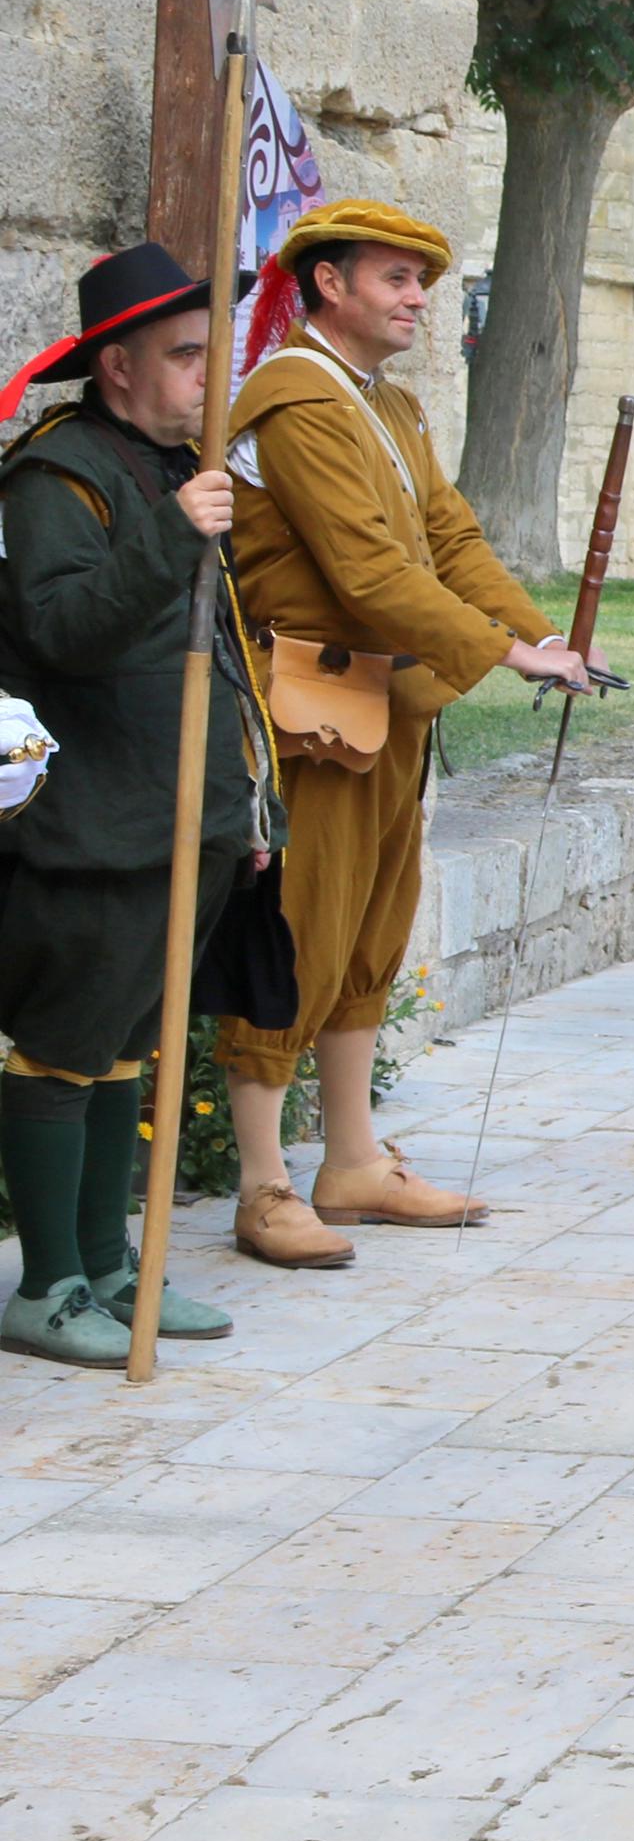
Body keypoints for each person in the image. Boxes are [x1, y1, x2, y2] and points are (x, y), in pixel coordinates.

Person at [215, 201, 597, 1268]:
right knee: (296, 935)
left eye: (422, 279)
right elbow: (366, 573)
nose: (418, 297)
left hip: (385, 704)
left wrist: (540, 633)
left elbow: (449, 537)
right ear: (327, 284)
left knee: (371, 934)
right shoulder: (296, 401)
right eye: (395, 277)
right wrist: (505, 653)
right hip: (306, 709)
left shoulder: (393, 408)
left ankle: (350, 1162)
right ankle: (260, 1185)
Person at [0, 247, 270, 1365]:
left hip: (184, 821)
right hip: (97, 825)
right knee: (62, 1050)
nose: (211, 377)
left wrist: (247, 805)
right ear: (117, 366)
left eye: (214, 352)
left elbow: (224, 656)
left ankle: (112, 1266)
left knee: (125, 1049)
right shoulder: (57, 477)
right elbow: (64, 630)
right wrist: (175, 531)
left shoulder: (171, 471)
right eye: (186, 356)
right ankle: (47, 1283)